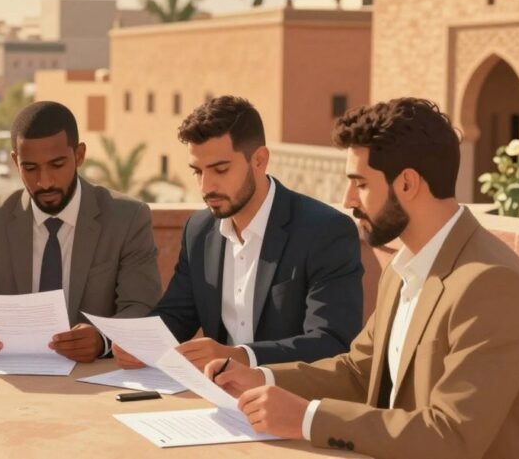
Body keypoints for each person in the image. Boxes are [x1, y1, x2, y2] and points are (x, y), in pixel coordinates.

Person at [207, 98, 519, 458]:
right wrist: (260, 377)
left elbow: (451, 435)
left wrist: (308, 418)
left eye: (360, 183)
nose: (348, 199)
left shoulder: (490, 283)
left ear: (407, 183)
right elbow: (359, 371)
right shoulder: (402, 268)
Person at [114, 96, 363, 371]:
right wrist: (141, 343)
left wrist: (241, 356)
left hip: (288, 393)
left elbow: (331, 341)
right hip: (213, 391)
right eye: (197, 172)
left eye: (220, 170)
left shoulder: (325, 231)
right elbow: (177, 315)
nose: (206, 186)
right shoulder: (199, 231)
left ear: (259, 160)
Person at [0, 101, 162, 363]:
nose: (44, 182)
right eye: (30, 168)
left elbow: (141, 306)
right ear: (15, 161)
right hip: (12, 375)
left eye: (57, 165)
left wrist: (104, 340)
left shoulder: (127, 218)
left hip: (94, 375)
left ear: (79, 155)